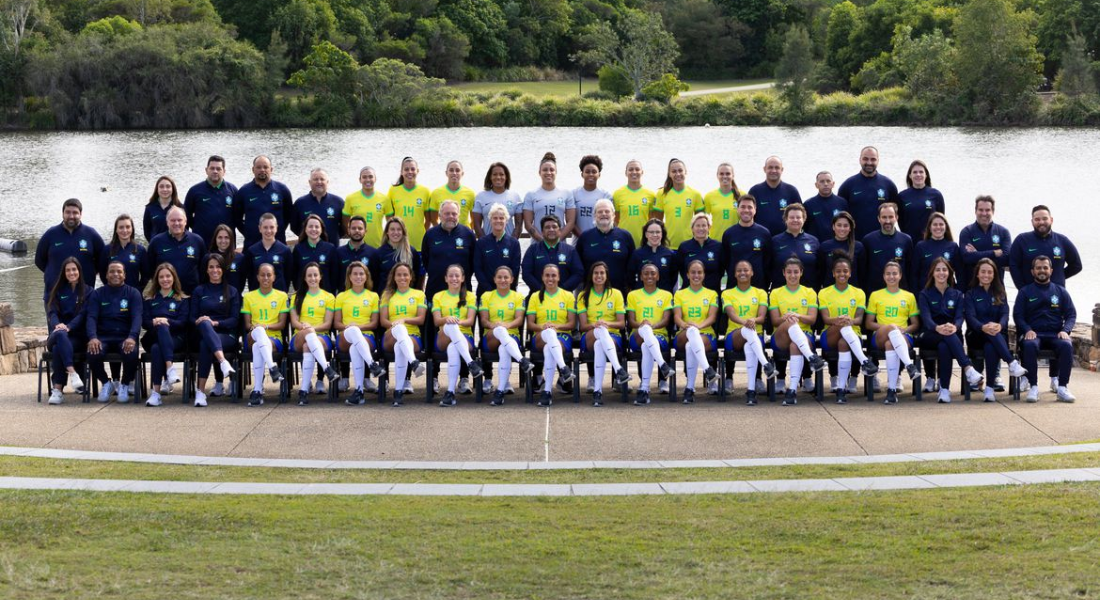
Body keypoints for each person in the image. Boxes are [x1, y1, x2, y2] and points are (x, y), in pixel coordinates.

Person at [918, 258, 984, 403]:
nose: (941, 273)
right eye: (938, 270)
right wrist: (937, 328)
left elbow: (960, 317)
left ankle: (944, 390)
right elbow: (926, 318)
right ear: (932, 273)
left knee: (944, 345)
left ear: (949, 273)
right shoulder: (925, 294)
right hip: (930, 334)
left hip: (952, 333)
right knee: (945, 340)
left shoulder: (958, 294)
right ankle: (968, 368)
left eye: (944, 270)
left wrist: (955, 326)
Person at [1014, 256, 1077, 403]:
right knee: (1029, 345)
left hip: (1055, 334)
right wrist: (1027, 329)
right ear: (1032, 271)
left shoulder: (1060, 291)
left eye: (1045, 267)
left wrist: (1065, 330)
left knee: (1067, 345)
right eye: (1038, 268)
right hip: (1034, 334)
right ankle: (1033, 387)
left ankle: (1062, 388)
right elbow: (1018, 315)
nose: (1042, 270)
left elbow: (1071, 314)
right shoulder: (1025, 292)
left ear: (1051, 270)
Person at [965, 258, 1028, 402]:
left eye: (990, 272)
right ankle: (1011, 363)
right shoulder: (970, 294)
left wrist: (1000, 325)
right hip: (976, 335)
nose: (986, 275)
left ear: (994, 275)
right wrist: (983, 327)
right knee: (990, 339)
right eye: (983, 272)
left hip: (996, 334)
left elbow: (1005, 313)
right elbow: (970, 317)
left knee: (990, 347)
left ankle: (989, 389)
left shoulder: (1000, 292)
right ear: (977, 274)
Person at [817, 255, 877, 403]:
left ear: (850, 273)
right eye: (838, 271)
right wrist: (839, 320)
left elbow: (859, 320)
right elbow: (825, 319)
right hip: (829, 334)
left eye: (845, 271)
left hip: (852, 335)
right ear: (833, 273)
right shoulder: (824, 293)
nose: (842, 274)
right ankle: (864, 361)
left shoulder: (859, 293)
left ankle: (841, 390)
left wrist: (850, 321)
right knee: (842, 326)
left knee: (844, 343)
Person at [768, 258, 825, 405]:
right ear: (783, 273)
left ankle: (792, 391)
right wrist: (787, 318)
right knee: (790, 322)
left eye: (795, 272)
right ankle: (812, 357)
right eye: (789, 272)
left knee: (796, 345)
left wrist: (797, 315)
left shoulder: (810, 292)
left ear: (801, 273)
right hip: (781, 336)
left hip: (804, 336)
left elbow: (812, 319)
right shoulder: (775, 293)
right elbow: (775, 321)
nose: (792, 275)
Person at [85, 261, 143, 404]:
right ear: (106, 275)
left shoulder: (133, 293)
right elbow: (91, 317)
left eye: (119, 271)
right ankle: (106, 383)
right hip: (103, 337)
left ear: (124, 275)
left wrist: (132, 337)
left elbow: (137, 318)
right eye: (112, 271)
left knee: (131, 353)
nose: (115, 274)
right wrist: (93, 337)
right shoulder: (98, 294)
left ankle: (123, 384)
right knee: (93, 352)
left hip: (124, 337)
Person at [720, 260, 777, 405]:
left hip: (754, 337)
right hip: (734, 336)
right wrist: (745, 322)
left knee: (749, 347)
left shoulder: (761, 293)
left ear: (752, 273)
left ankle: (751, 391)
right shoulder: (727, 293)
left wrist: (754, 320)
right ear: (734, 274)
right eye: (739, 270)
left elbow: (762, 317)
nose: (742, 273)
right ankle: (765, 364)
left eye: (746, 270)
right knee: (746, 332)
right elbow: (731, 314)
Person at [865, 261, 921, 404]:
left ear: (900, 276)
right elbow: (869, 323)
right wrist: (890, 327)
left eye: (895, 273)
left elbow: (915, 324)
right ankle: (909, 365)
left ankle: (891, 391)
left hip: (902, 336)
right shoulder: (875, 295)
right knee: (891, 328)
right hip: (880, 335)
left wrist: (904, 330)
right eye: (888, 274)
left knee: (891, 344)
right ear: (883, 276)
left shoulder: (909, 296)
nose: (891, 277)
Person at [577, 262, 631, 406]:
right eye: (596, 273)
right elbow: (582, 326)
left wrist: (606, 324)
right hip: (589, 335)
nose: (599, 276)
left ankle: (597, 392)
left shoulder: (616, 294)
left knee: (600, 344)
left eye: (602, 273)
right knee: (599, 332)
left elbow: (621, 323)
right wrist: (595, 325)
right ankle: (618, 369)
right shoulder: (583, 295)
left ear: (606, 276)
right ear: (591, 276)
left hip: (612, 337)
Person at [190, 254, 240, 407]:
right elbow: (192, 318)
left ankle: (200, 392)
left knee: (207, 338)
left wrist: (215, 323)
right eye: (211, 267)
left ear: (223, 269)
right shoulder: (199, 290)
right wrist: (202, 321)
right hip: (204, 333)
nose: (214, 270)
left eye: (218, 267)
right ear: (206, 270)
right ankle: (223, 361)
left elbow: (234, 319)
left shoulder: (232, 291)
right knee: (205, 325)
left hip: (227, 335)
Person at [479, 266, 534, 405]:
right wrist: (495, 326)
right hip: (491, 337)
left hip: (511, 337)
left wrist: (505, 326)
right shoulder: (486, 296)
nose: (503, 280)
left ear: (512, 280)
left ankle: (500, 391)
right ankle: (522, 360)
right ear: (494, 279)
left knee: (504, 348)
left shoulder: (518, 297)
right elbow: (484, 320)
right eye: (499, 277)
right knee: (499, 331)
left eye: (506, 277)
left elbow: (519, 320)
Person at [431, 265, 485, 407]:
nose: (454, 278)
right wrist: (447, 319)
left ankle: (450, 393)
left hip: (464, 337)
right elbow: (437, 321)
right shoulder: (438, 296)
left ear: (462, 278)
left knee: (453, 348)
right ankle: (470, 363)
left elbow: (470, 321)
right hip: (443, 336)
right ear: (446, 278)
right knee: (449, 326)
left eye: (457, 276)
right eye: (451, 276)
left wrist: (455, 321)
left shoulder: (470, 296)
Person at [334, 261, 386, 403]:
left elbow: (374, 323)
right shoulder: (341, 296)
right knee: (352, 334)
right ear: (349, 277)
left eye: (361, 273)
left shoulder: (373, 296)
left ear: (366, 276)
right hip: (345, 336)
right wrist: (350, 328)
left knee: (354, 348)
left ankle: (359, 392)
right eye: (355, 274)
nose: (358, 277)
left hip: (366, 336)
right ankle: (372, 364)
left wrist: (357, 327)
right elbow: (337, 323)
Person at [526, 264, 577, 407]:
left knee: (550, 348)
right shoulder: (535, 296)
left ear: (559, 277)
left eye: (553, 275)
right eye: (547, 275)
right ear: (542, 277)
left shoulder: (567, 295)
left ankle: (547, 392)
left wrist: (556, 326)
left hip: (562, 336)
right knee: (548, 334)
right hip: (540, 336)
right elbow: (530, 324)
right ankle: (564, 368)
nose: (550, 278)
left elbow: (572, 324)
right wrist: (543, 327)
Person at [289, 262, 340, 406]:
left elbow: (327, 324)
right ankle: (326, 367)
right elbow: (294, 322)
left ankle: (304, 391)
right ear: (305, 278)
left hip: (321, 337)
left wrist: (311, 329)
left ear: (320, 277)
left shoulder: (329, 297)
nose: (312, 278)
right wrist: (305, 329)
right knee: (306, 340)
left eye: (315, 275)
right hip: (299, 335)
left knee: (308, 347)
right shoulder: (296, 297)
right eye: (309, 275)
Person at [141, 263, 190, 407]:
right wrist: (154, 322)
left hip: (176, 339)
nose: (165, 279)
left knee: (157, 349)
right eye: (161, 277)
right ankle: (170, 368)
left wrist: (167, 321)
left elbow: (183, 322)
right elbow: (144, 322)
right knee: (160, 328)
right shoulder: (149, 299)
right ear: (157, 279)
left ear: (174, 278)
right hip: (153, 337)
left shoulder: (182, 299)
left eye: (168, 276)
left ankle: (156, 394)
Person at [380, 262, 428, 406]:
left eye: (405, 274)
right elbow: (383, 321)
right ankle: (413, 362)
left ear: (411, 277)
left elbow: (421, 319)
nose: (402, 277)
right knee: (399, 330)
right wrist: (396, 325)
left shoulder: (419, 294)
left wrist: (404, 320)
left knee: (400, 346)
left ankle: (398, 392)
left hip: (413, 338)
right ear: (394, 277)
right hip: (390, 335)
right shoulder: (387, 295)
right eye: (399, 275)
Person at [36, 198, 105, 297]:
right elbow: (39, 260)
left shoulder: (91, 234)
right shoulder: (51, 234)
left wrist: (89, 272)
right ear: (62, 214)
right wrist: (54, 272)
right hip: (55, 293)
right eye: (68, 212)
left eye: (75, 213)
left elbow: (102, 260)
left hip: (84, 293)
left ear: (81, 214)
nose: (71, 216)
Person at [44, 258, 90, 405]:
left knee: (58, 348)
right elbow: (52, 313)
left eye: (74, 269)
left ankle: (57, 390)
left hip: (76, 337)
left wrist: (69, 326)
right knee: (60, 337)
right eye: (68, 270)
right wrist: (58, 325)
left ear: (79, 271)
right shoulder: (57, 291)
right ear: (64, 273)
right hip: (57, 333)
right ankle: (72, 372)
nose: (71, 272)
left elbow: (84, 315)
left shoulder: (88, 291)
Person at [241, 263, 288, 406]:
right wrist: (258, 328)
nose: (266, 278)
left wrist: (265, 326)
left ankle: (257, 391)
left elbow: (282, 324)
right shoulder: (248, 297)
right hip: (252, 336)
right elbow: (248, 325)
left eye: (269, 275)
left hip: (274, 339)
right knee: (258, 333)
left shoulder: (281, 296)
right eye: (262, 275)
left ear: (274, 277)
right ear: (257, 277)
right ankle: (273, 368)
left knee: (258, 347)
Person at [627, 263, 674, 404]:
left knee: (646, 346)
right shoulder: (633, 295)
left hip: (659, 336)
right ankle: (663, 365)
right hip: (637, 335)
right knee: (645, 330)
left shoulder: (666, 295)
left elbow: (666, 320)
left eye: (653, 273)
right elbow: (631, 321)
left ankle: (644, 390)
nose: (649, 276)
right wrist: (643, 325)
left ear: (658, 276)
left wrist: (651, 326)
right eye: (646, 273)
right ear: (641, 276)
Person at [674, 260, 720, 401]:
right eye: (693, 272)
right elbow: (677, 317)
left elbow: (712, 318)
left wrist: (697, 327)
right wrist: (686, 326)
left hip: (705, 334)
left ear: (704, 274)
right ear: (687, 275)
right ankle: (707, 369)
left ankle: (689, 388)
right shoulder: (679, 294)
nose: (696, 275)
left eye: (699, 272)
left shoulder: (711, 294)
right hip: (684, 333)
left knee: (690, 346)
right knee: (691, 335)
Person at [1009, 204, 1082, 289]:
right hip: (1030, 295)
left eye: (1044, 218)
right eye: (1037, 219)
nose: (1041, 222)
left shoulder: (1062, 241)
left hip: (1056, 296)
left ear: (1051, 220)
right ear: (1032, 221)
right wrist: (1022, 288)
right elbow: (1013, 266)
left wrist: (1059, 277)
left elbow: (1076, 265)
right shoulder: (1021, 240)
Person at [837, 146, 899, 240]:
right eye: (865, 159)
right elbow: (840, 217)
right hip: (855, 241)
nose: (869, 162)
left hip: (882, 240)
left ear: (878, 160)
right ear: (860, 160)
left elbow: (896, 215)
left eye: (873, 159)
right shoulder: (847, 186)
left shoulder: (889, 185)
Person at [576, 199, 636, 294]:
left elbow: (633, 266)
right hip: (591, 294)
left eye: (607, 211)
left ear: (613, 215)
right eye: (600, 212)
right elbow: (578, 266)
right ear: (595, 215)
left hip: (619, 295)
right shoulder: (585, 237)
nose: (604, 214)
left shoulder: (625, 236)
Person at [235, 155, 294, 251]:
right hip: (252, 245)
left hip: (278, 244)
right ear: (253, 169)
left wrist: (277, 230)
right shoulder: (244, 191)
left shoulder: (282, 190)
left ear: (271, 169)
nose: (262, 170)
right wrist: (249, 232)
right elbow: (237, 218)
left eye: (265, 167)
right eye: (258, 167)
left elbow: (288, 216)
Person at [422, 199, 477, 301]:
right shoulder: (430, 234)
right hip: (435, 289)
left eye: (454, 214)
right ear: (439, 215)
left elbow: (474, 262)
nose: (451, 217)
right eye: (447, 214)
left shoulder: (468, 234)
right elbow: (426, 260)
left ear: (458, 215)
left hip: (461, 290)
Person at [146, 206, 206, 294]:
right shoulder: (156, 242)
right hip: (166, 296)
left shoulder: (197, 241)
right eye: (173, 220)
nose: (176, 223)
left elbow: (203, 269)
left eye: (179, 220)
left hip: (191, 295)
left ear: (185, 221)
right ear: (167, 222)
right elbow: (150, 269)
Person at [184, 155, 238, 247]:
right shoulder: (195, 191)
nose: (215, 171)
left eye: (218, 169)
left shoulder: (232, 190)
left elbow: (239, 216)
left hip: (226, 244)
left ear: (224, 171)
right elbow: (186, 218)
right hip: (202, 243)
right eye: (212, 168)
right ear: (206, 170)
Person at [720, 195, 772, 290]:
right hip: (734, 287)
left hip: (758, 287)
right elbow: (725, 261)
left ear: (755, 210)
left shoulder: (764, 233)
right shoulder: (729, 234)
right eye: (743, 207)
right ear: (737, 209)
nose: (746, 210)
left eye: (750, 207)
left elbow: (767, 262)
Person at [959, 195, 1012, 289]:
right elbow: (967, 258)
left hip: (997, 289)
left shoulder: (1003, 232)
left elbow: (1006, 259)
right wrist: (993, 253)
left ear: (993, 211)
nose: (984, 213)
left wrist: (977, 254)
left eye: (987, 210)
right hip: (972, 289)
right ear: (975, 211)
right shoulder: (967, 232)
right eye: (981, 210)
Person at [521, 215, 583, 292]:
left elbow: (578, 273)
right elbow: (526, 274)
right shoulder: (532, 250)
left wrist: (561, 290)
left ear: (559, 231)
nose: (551, 229)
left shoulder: (570, 251)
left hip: (564, 298)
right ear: (542, 232)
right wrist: (541, 290)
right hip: (538, 297)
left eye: (554, 227)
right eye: (547, 227)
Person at [861, 202, 914, 294]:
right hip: (875, 294)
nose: (887, 221)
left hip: (900, 294)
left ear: (896, 217)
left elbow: (910, 270)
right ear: (879, 219)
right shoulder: (868, 240)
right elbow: (864, 271)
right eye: (884, 217)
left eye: (890, 217)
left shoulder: (906, 240)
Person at [523, 152, 577, 242]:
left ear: (556, 172)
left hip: (559, 245)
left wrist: (557, 240)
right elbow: (528, 224)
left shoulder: (566, 193)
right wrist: (542, 241)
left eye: (552, 170)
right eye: (545, 170)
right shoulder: (531, 195)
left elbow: (571, 222)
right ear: (539, 172)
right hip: (538, 245)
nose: (548, 172)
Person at [910, 212, 962, 303]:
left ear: (946, 227)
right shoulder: (921, 246)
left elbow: (960, 274)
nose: (938, 227)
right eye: (935, 224)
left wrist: (958, 293)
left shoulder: (953, 246)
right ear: (929, 227)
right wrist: (916, 296)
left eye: (941, 224)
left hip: (947, 297)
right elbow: (914, 274)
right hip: (926, 297)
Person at [473, 203, 522, 297]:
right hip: (485, 292)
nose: (498, 221)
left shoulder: (514, 243)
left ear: (506, 220)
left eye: (501, 218)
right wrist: (490, 290)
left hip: (507, 292)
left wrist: (505, 288)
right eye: (495, 218)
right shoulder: (481, 242)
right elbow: (478, 269)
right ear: (490, 220)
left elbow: (515, 269)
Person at [652, 158, 703, 247]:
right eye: (674, 171)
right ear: (669, 174)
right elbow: (657, 222)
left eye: (680, 170)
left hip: (689, 245)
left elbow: (701, 223)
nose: (678, 174)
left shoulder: (695, 194)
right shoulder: (662, 194)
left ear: (685, 172)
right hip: (668, 245)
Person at [747, 156, 802, 236]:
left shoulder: (791, 191)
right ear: (764, 169)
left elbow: (801, 217)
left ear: (782, 170)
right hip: (760, 239)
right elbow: (749, 216)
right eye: (770, 167)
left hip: (786, 240)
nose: (773, 170)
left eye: (777, 168)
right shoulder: (755, 191)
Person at [770, 204, 820, 290]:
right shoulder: (775, 241)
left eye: (798, 217)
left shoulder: (813, 241)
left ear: (804, 219)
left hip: (808, 296)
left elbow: (819, 269)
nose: (795, 220)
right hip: (781, 295)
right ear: (786, 219)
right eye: (792, 217)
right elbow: (768, 267)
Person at [386, 157, 432, 251]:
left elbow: (428, 220)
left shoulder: (425, 191)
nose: (410, 172)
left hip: (418, 243)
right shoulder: (393, 191)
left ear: (417, 171)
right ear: (401, 172)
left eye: (413, 169)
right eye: (406, 169)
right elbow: (389, 218)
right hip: (398, 243)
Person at [291, 168, 344, 246]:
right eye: (315, 179)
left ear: (327, 182)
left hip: (332, 250)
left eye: (322, 179)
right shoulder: (300, 203)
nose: (319, 182)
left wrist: (333, 235)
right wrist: (308, 236)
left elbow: (344, 227)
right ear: (309, 182)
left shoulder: (338, 202)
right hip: (308, 250)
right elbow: (294, 227)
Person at [241, 213, 292, 293]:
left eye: (272, 227)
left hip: (278, 298)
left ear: (276, 228)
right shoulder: (252, 251)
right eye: (265, 227)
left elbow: (287, 276)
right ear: (260, 228)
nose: (268, 231)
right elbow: (250, 276)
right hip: (258, 298)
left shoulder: (285, 250)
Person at [471, 162, 523, 238]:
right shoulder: (480, 197)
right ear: (490, 177)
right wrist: (485, 243)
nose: (498, 177)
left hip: (508, 245)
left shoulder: (515, 196)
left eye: (501, 174)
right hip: (487, 245)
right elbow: (477, 225)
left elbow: (519, 225)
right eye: (495, 174)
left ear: (506, 177)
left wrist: (512, 242)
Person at [626, 219, 678, 294]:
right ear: (646, 234)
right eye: (651, 232)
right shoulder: (637, 254)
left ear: (662, 234)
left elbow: (673, 278)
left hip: (663, 299)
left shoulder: (670, 254)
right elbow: (630, 277)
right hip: (642, 298)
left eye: (658, 232)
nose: (655, 235)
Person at [897, 160, 945, 241]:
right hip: (910, 242)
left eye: (921, 172)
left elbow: (941, 220)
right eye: (915, 172)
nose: (918, 174)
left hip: (930, 241)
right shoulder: (902, 196)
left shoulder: (936, 195)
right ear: (910, 175)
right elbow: (900, 221)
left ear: (926, 175)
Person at [289, 214, 338, 294]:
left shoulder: (330, 248)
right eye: (310, 226)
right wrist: (299, 290)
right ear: (305, 229)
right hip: (304, 295)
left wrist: (330, 294)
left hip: (325, 296)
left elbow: (334, 275)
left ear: (321, 229)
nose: (313, 229)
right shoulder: (298, 249)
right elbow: (294, 274)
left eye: (317, 227)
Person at [375, 218, 424, 295]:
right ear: (387, 232)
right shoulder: (379, 253)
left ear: (403, 232)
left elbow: (416, 277)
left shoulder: (412, 252)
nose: (396, 232)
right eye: (392, 229)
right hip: (385, 298)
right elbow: (375, 279)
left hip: (406, 298)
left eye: (399, 229)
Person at [612, 160, 656, 247]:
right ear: (626, 173)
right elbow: (616, 219)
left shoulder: (650, 194)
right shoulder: (617, 194)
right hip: (623, 240)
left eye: (637, 169)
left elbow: (652, 219)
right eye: (631, 169)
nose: (634, 172)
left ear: (642, 172)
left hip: (644, 242)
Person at [343, 166, 389, 248]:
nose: (368, 180)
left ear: (375, 179)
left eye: (371, 177)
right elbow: (345, 223)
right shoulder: (350, 198)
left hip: (378, 245)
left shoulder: (384, 199)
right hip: (357, 246)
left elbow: (390, 223)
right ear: (360, 180)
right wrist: (352, 236)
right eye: (364, 177)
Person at [676, 212, 723, 291]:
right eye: (697, 225)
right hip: (690, 292)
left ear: (709, 227)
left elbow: (721, 270)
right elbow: (682, 270)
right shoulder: (684, 247)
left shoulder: (718, 246)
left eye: (704, 225)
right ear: (692, 228)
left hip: (712, 293)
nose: (701, 228)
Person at [817, 212, 865, 289]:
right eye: (839, 225)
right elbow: (821, 272)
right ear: (833, 227)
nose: (842, 228)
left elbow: (862, 274)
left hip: (852, 294)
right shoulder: (824, 246)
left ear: (850, 228)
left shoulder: (858, 247)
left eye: (845, 226)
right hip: (829, 293)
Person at [100, 214, 146, 291]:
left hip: (133, 295)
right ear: (116, 230)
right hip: (112, 294)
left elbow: (146, 275)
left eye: (128, 227)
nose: (125, 230)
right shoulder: (107, 250)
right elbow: (102, 273)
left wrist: (138, 290)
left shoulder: (140, 250)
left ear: (132, 229)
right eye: (121, 227)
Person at [334, 216, 379, 294]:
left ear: (365, 231)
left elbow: (375, 279)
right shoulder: (338, 252)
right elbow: (335, 279)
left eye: (360, 228)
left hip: (366, 301)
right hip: (344, 299)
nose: (357, 231)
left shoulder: (373, 253)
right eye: (353, 228)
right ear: (348, 230)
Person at [573, 155, 613, 236]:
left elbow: (609, 220)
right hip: (579, 241)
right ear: (582, 174)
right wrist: (583, 238)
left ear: (599, 174)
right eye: (587, 172)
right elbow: (571, 221)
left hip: (599, 239)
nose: (591, 174)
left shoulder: (606, 195)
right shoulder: (573, 194)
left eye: (594, 172)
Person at [802, 171, 848, 243]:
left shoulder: (842, 203)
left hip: (837, 245)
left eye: (828, 181)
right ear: (816, 185)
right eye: (822, 181)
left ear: (833, 184)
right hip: (815, 245)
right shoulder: (808, 204)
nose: (826, 184)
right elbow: (804, 228)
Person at [703, 162, 743, 241]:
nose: (724, 176)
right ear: (717, 175)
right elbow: (704, 221)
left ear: (733, 175)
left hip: (736, 240)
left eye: (728, 174)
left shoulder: (742, 195)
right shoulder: (709, 196)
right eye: (721, 174)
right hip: (715, 240)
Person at [429, 160, 475, 227]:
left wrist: (466, 231)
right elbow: (433, 219)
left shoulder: (470, 194)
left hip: (463, 235)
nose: (454, 173)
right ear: (446, 173)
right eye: (451, 170)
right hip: (444, 234)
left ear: (462, 173)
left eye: (457, 170)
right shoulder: (436, 193)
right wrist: (440, 232)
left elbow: (474, 220)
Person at [204, 224, 245, 294]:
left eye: (226, 237)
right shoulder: (208, 258)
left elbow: (242, 281)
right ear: (215, 239)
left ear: (231, 239)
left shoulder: (240, 258)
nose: (223, 240)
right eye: (220, 237)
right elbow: (204, 279)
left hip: (234, 298)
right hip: (213, 298)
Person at [143, 176, 183, 242]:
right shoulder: (150, 208)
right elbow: (147, 231)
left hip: (175, 246)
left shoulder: (180, 208)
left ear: (173, 189)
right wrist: (154, 243)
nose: (165, 189)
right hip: (156, 247)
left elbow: (185, 228)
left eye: (168, 186)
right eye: (161, 187)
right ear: (157, 189)